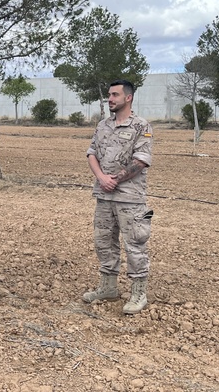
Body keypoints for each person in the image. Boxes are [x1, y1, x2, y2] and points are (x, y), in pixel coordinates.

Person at [83, 79, 154, 315]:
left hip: (129, 198)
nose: (110, 99)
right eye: (109, 95)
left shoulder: (141, 126)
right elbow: (92, 153)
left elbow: (141, 160)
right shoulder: (103, 125)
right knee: (104, 242)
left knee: (134, 244)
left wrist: (116, 179)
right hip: (104, 196)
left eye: (114, 95)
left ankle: (138, 292)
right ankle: (108, 287)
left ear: (128, 97)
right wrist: (102, 178)